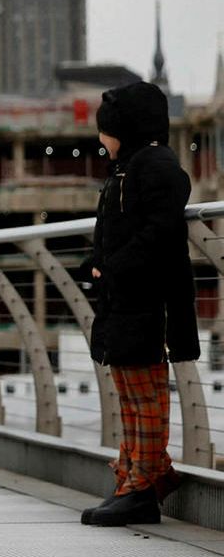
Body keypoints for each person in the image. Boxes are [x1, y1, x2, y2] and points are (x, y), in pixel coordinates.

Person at [81, 81, 199, 527]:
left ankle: (143, 485)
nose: (100, 140)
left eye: (105, 131)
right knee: (129, 391)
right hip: (124, 300)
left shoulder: (158, 167)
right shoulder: (127, 169)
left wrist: (113, 266)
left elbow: (160, 233)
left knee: (146, 394)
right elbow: (116, 230)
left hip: (148, 300)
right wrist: (99, 262)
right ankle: (139, 473)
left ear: (125, 129)